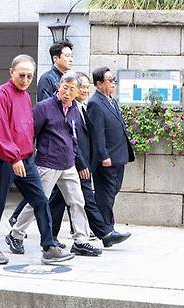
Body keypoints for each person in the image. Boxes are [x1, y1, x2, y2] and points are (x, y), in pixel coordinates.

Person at [0, 54, 73, 265]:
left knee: (40, 200)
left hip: (25, 158)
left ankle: (49, 246)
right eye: (21, 75)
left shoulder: (24, 96)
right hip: (5, 159)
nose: (25, 79)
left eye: (29, 76)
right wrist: (13, 157)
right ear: (11, 72)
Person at [8, 71, 102, 257]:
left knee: (77, 201)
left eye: (72, 89)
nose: (67, 92)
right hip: (47, 163)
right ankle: (16, 234)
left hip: (68, 164)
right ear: (58, 87)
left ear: (77, 92)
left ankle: (81, 240)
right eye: (64, 88)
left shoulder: (75, 109)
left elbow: (73, 138)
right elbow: (30, 134)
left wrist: (79, 162)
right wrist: (24, 158)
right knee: (38, 201)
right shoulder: (44, 107)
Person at [49, 72, 131, 248]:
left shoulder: (80, 107)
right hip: (72, 162)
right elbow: (73, 138)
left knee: (58, 200)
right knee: (79, 199)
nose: (85, 90)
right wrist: (83, 163)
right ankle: (104, 233)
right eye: (81, 87)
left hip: (79, 162)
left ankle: (50, 236)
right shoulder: (69, 108)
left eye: (86, 87)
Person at [9, 40, 75, 226]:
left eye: (71, 55)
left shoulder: (68, 78)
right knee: (40, 193)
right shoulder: (47, 79)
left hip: (63, 152)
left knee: (59, 196)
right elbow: (47, 113)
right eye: (67, 55)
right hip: (49, 149)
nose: (71, 59)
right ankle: (18, 224)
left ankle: (60, 234)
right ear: (56, 58)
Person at [87, 66, 135, 232]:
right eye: (109, 80)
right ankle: (107, 230)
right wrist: (103, 156)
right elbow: (97, 133)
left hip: (119, 156)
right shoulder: (95, 103)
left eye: (114, 79)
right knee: (105, 195)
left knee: (112, 191)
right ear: (99, 84)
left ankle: (98, 225)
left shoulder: (111, 100)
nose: (113, 83)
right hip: (107, 159)